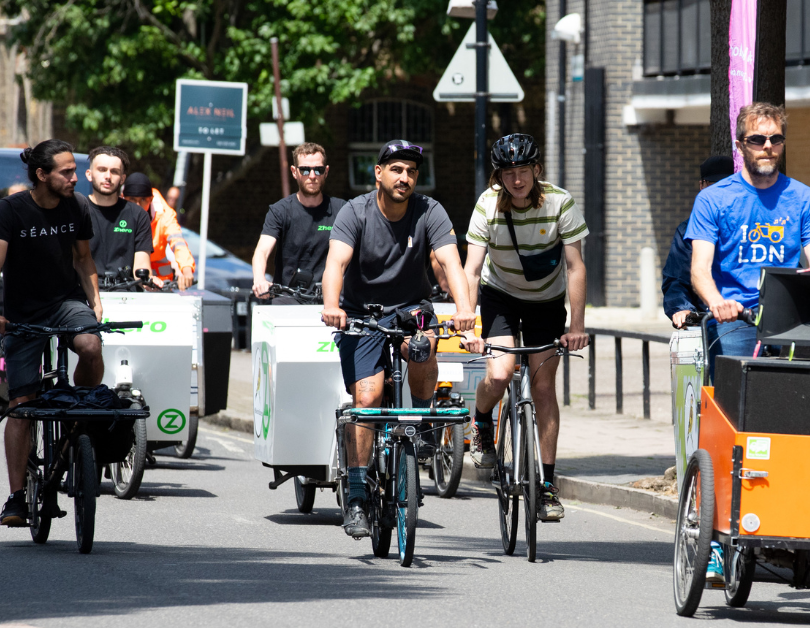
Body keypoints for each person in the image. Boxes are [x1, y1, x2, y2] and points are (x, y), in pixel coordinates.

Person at [320, 140, 476, 538]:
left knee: (423, 348)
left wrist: (464, 312)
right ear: (379, 173)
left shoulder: (429, 211)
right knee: (368, 398)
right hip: (361, 313)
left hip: (410, 309)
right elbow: (336, 262)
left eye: (411, 171)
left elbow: (451, 263)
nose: (404, 177)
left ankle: (420, 426)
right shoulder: (355, 212)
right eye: (396, 170)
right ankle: (357, 496)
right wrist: (332, 305)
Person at [459, 133, 590, 522]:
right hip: (499, 296)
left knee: (544, 386)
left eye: (523, 171)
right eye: (508, 173)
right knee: (500, 374)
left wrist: (577, 326)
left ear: (537, 170)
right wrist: (468, 325)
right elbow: (471, 269)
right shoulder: (487, 205)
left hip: (546, 302)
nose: (516, 180)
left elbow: (575, 267)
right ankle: (482, 421)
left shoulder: (559, 202)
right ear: (498, 176)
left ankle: (547, 486)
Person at [0, 140, 104, 527]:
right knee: (22, 405)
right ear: (41, 175)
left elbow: (83, 258)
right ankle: (16, 497)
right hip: (22, 313)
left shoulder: (77, 206)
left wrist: (96, 303)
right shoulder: (10, 210)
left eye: (74, 170)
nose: (75, 178)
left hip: (66, 301)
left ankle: (79, 418)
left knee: (91, 346)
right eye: (66, 172)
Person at [686, 101, 810, 378]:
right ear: (740, 146)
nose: (768, 146)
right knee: (732, 396)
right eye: (756, 139)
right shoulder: (713, 199)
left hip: (790, 315)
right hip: (734, 316)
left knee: (806, 392)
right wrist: (718, 302)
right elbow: (699, 269)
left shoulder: (806, 198)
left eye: (776, 139)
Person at [251, 142, 345, 303]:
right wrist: (259, 279)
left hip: (330, 299)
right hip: (287, 299)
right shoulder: (280, 211)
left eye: (318, 169)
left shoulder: (341, 210)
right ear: (294, 172)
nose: (312, 175)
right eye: (305, 170)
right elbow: (262, 251)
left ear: (326, 171)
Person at [662, 156, 733, 328]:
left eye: (727, 185)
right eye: (714, 185)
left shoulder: (750, 225)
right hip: (707, 316)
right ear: (702, 186)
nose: (720, 192)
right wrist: (682, 308)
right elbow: (676, 277)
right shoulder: (687, 229)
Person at [79, 146, 154, 284]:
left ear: (122, 178)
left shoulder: (138, 215)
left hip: (125, 292)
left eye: (114, 171)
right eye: (102, 170)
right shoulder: (75, 210)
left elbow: (142, 267)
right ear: (89, 174)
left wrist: (147, 281)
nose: (108, 176)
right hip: (82, 291)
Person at [122, 173, 196, 291]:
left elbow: (178, 242)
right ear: (122, 197)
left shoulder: (165, 215)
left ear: (151, 199)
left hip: (158, 283)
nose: (138, 205)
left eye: (143, 200)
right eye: (132, 199)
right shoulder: (117, 210)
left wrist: (186, 269)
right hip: (123, 278)